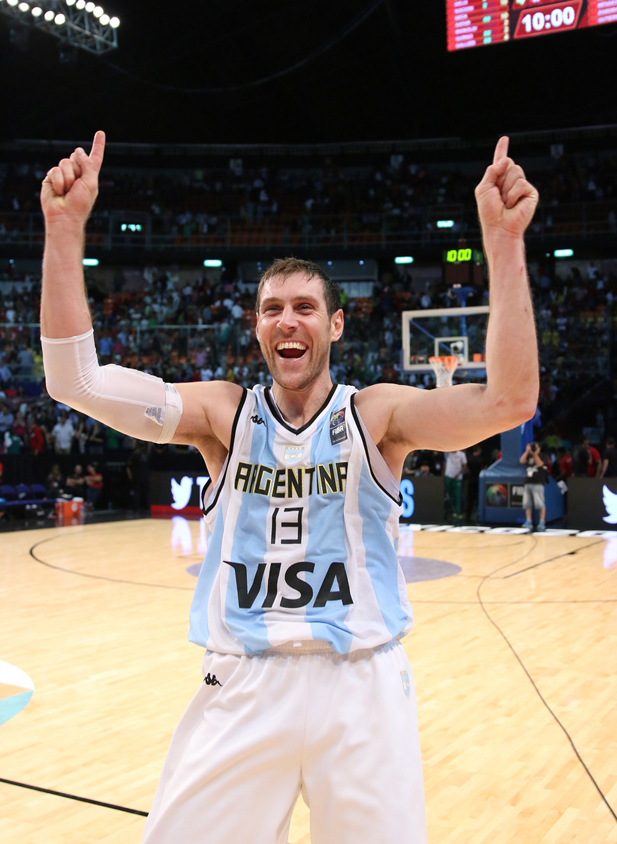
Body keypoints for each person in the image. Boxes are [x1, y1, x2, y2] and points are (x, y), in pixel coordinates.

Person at [39, 131, 539, 844]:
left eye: (304, 306)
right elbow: (77, 382)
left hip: (360, 686)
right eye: (272, 308)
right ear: (257, 328)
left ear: (334, 324)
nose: (287, 319)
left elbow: (508, 402)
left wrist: (503, 243)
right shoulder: (221, 416)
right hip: (243, 684)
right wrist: (64, 230)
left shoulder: (377, 416)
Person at [520, 441, 548, 531]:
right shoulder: (529, 456)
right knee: (527, 503)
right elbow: (521, 461)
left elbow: (540, 464)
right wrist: (527, 451)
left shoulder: (543, 456)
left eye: (535, 447)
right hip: (528, 482)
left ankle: (542, 522)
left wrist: (535, 454)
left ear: (539, 448)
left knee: (540, 503)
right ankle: (528, 521)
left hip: (538, 482)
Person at [444, 449, 467, 521]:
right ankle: (448, 513)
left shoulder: (461, 454)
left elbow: (464, 466)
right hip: (448, 476)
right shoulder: (447, 453)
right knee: (448, 495)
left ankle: (457, 513)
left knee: (457, 496)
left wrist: (459, 473)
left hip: (457, 478)